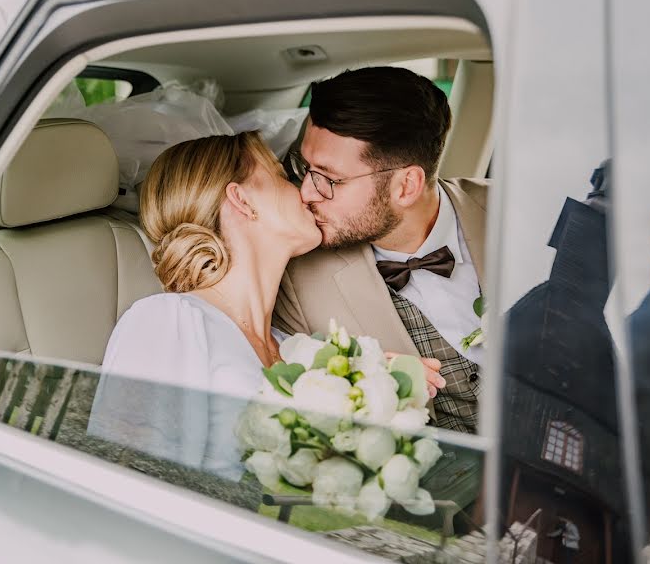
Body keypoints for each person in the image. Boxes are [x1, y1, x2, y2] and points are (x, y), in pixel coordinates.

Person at [88, 132, 446, 479]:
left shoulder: (292, 346)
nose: (307, 193)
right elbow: (131, 481)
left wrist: (367, 381)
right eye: (281, 175)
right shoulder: (168, 321)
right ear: (242, 200)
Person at [274, 66, 489, 434]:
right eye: (304, 168)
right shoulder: (298, 280)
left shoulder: (519, 213)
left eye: (328, 178)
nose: (307, 193)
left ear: (406, 186)